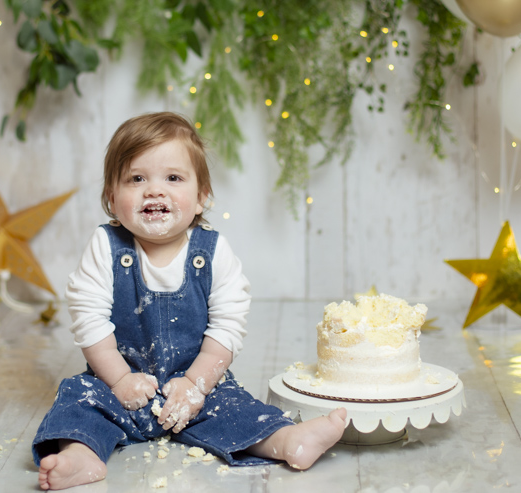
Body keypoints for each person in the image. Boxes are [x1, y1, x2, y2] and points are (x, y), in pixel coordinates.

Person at [33, 112, 347, 490]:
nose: (154, 190)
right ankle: (82, 455)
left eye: (173, 178)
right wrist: (118, 380)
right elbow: (89, 318)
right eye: (137, 179)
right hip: (119, 381)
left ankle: (286, 441)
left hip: (197, 386)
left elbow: (228, 324)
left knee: (235, 408)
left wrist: (196, 384)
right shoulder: (106, 247)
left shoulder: (212, 253)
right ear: (112, 199)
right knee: (78, 399)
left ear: (201, 198)